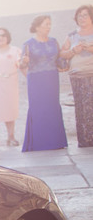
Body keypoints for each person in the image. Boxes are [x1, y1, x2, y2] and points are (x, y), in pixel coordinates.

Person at [20, 15, 68, 151]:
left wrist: (67, 59)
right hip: (36, 79)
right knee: (38, 108)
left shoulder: (54, 41)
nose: (49, 27)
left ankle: (56, 142)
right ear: (37, 27)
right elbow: (21, 65)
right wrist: (24, 61)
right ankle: (39, 143)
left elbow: (59, 61)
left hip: (52, 78)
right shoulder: (28, 44)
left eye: (50, 24)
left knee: (53, 107)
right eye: (46, 24)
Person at [59, 4, 93, 147]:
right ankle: (85, 140)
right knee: (81, 107)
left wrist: (90, 49)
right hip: (77, 76)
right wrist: (73, 51)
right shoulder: (71, 35)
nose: (82, 18)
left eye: (85, 15)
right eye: (79, 16)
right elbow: (62, 53)